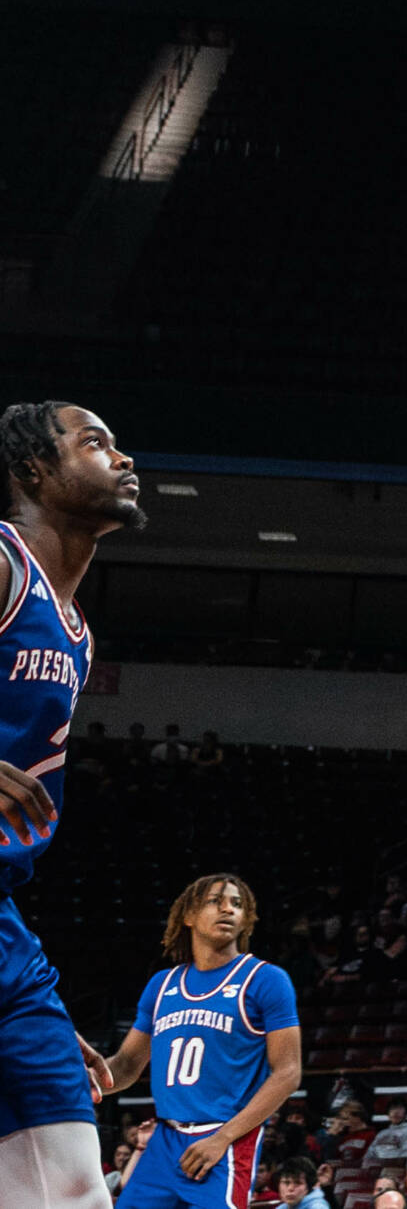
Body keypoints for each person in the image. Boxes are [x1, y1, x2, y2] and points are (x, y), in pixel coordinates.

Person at [0, 404, 145, 1207]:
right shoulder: (2, 562)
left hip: (7, 937)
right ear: (32, 472)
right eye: (94, 443)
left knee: (74, 1190)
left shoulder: (75, 627)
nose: (123, 458)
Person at [102, 876, 304, 1209]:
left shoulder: (266, 979)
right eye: (215, 901)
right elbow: (125, 1066)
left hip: (223, 1139)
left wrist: (222, 1138)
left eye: (237, 904)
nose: (228, 909)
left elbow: (288, 1073)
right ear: (189, 916)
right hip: (165, 1138)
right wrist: (74, 1082)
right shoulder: (161, 984)